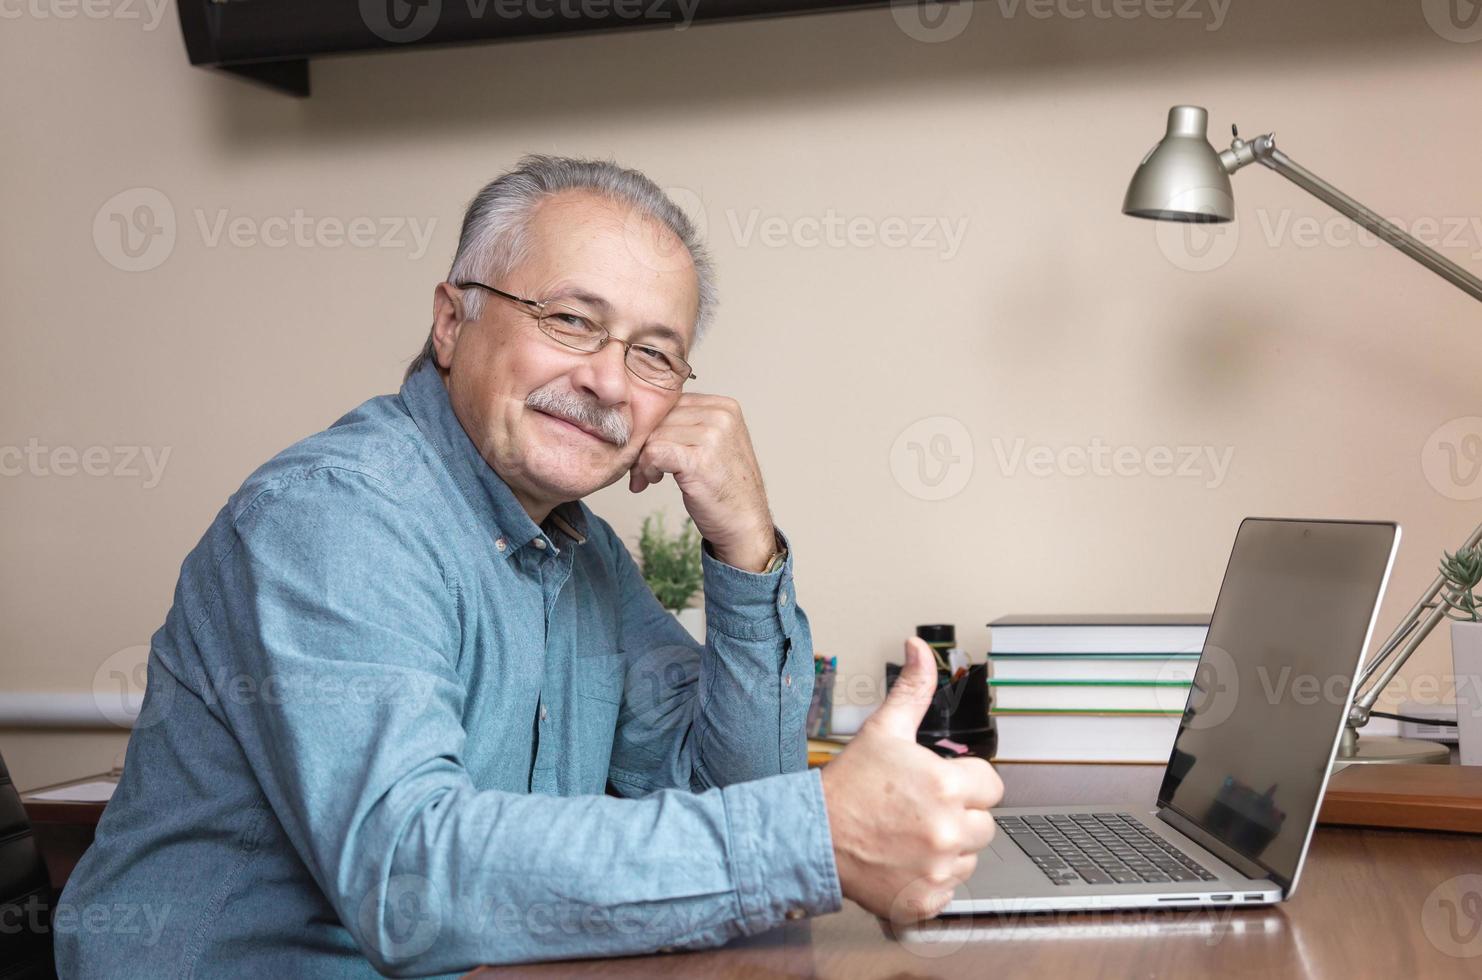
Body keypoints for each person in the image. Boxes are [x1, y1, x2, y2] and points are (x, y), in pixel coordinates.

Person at [55, 156, 1002, 978]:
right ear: (450, 322)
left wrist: (743, 547)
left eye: (653, 354)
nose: (607, 381)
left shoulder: (579, 547)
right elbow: (407, 881)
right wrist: (813, 835)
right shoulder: (336, 516)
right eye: (570, 321)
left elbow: (734, 797)